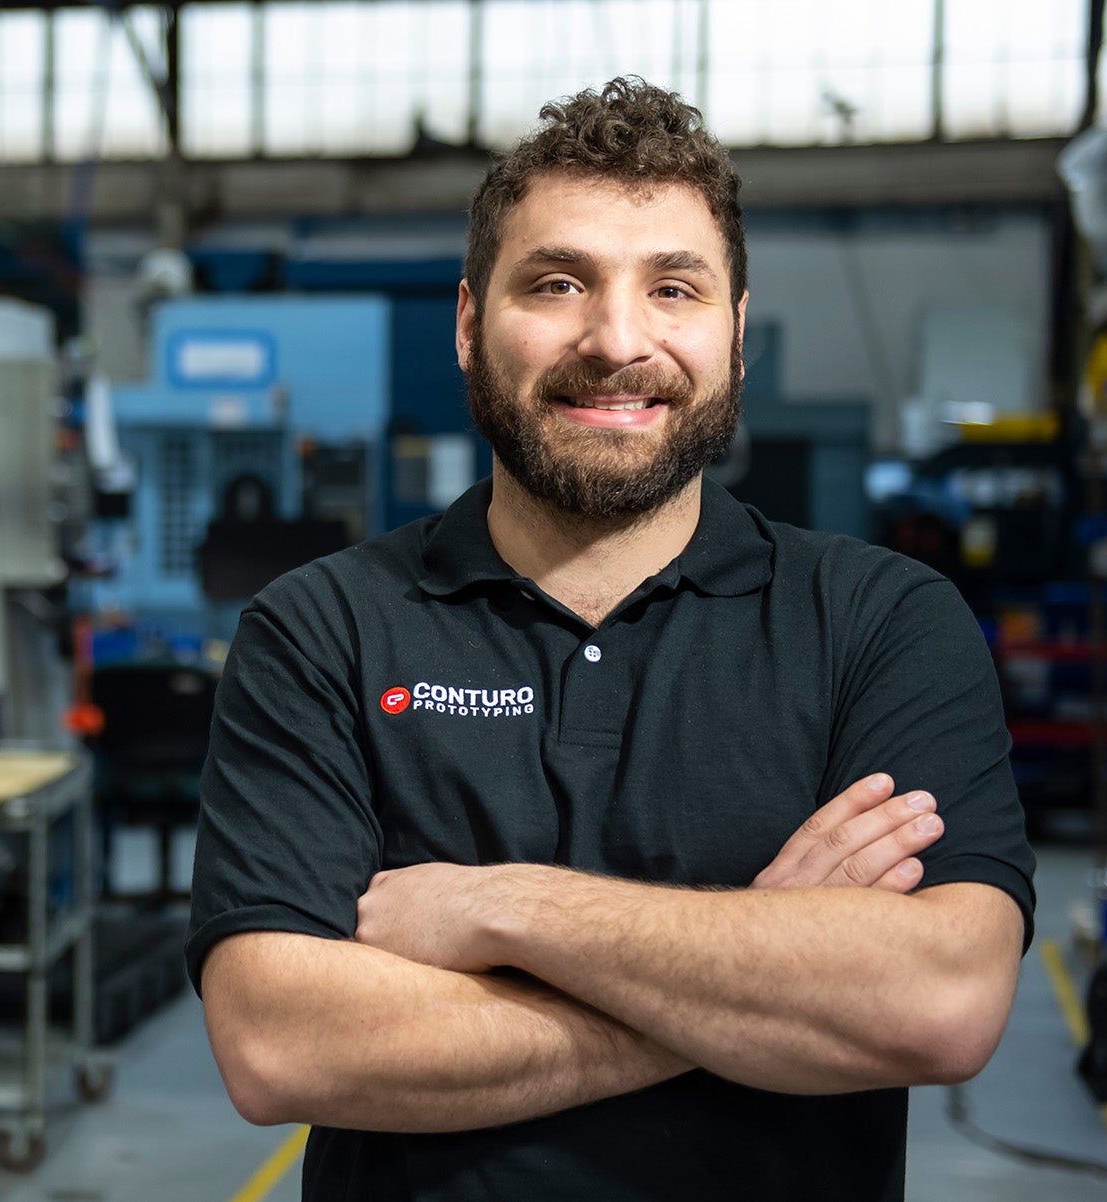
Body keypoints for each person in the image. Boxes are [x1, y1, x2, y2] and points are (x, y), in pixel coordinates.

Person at [187, 76, 1035, 1202]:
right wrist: (766, 960)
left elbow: (935, 1002)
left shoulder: (879, 622)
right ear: (466, 321)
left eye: (672, 287)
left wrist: (497, 908)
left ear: (733, 333)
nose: (615, 339)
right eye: (555, 281)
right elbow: (281, 1042)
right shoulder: (321, 628)